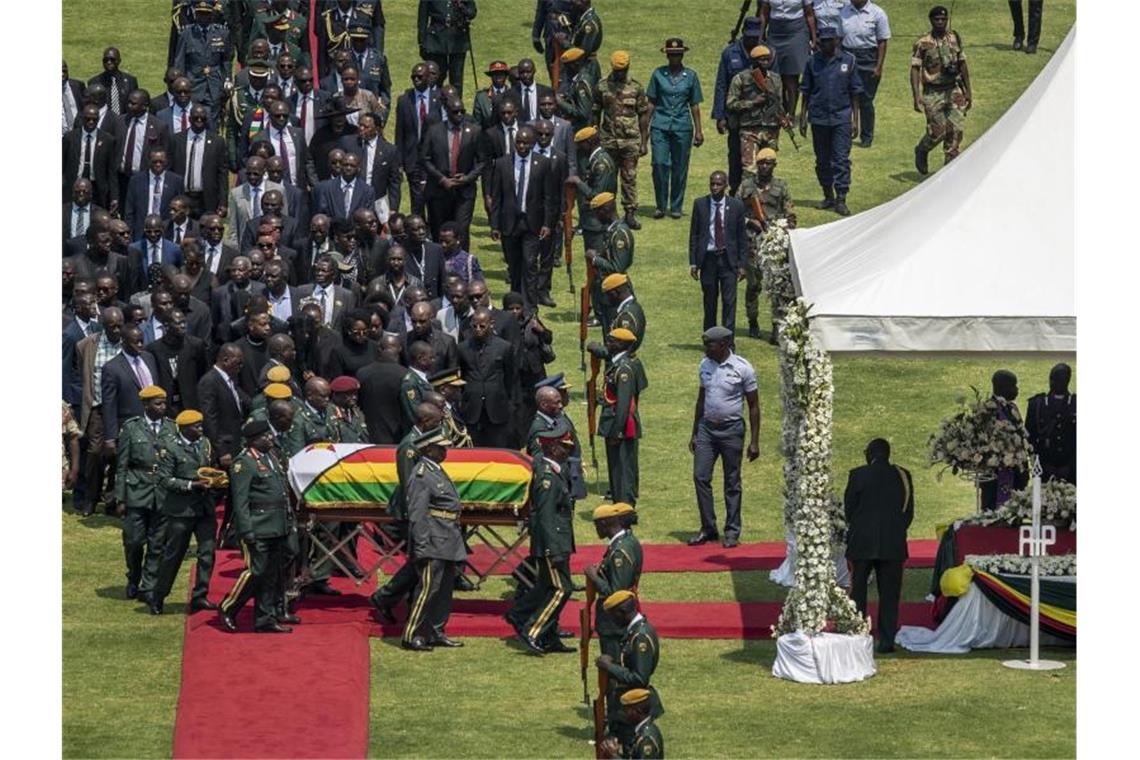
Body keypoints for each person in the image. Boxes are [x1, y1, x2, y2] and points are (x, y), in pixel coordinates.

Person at [508, 419, 577, 655]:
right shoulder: (547, 478)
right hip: (552, 543)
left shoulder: (554, 471)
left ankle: (534, 624)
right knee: (561, 589)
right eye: (564, 446)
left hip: (558, 541)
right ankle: (534, 630)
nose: (569, 450)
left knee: (546, 586)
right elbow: (546, 517)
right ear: (551, 448)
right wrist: (552, 549)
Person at [218, 420, 295, 633]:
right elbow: (240, 501)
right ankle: (228, 607)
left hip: (276, 525)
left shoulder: (272, 458)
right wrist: (246, 530)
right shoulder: (244, 463)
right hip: (257, 526)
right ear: (254, 440)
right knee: (255, 571)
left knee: (271, 574)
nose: (270, 438)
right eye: (266, 436)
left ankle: (265, 618)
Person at [688, 326, 760, 548]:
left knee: (732, 481)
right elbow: (701, 400)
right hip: (707, 430)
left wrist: (755, 441)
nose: (705, 348)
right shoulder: (705, 365)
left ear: (723, 345)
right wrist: (694, 432)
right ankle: (708, 528)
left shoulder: (743, 368)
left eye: (709, 344)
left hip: (732, 431)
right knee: (700, 477)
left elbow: (754, 405)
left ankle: (732, 531)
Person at [844, 438, 915, 654]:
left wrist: (860, 527)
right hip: (893, 543)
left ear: (870, 454)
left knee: (858, 592)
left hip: (862, 542)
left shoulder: (857, 474)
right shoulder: (903, 475)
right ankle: (886, 640)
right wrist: (895, 530)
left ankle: (857, 634)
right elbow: (908, 512)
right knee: (890, 595)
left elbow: (849, 509)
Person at [401, 427, 466, 651]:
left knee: (444, 590)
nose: (445, 450)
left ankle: (435, 630)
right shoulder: (421, 474)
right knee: (428, 589)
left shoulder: (435, 470)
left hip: (447, 537)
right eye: (441, 447)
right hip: (432, 540)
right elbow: (417, 514)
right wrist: (421, 545)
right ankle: (413, 634)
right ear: (429, 449)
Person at [152, 409, 219, 615]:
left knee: (207, 553)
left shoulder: (205, 444)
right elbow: (164, 479)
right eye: (196, 426)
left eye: (201, 425)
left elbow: (210, 467)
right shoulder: (170, 448)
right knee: (174, 555)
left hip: (204, 508)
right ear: (183, 428)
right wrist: (190, 485)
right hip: (182, 510)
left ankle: (200, 595)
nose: (200, 429)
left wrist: (215, 480)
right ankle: (159, 596)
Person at [115, 385, 176, 606]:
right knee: (133, 540)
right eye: (157, 403)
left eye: (164, 403)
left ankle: (148, 585)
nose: (162, 407)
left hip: (162, 491)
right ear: (146, 405)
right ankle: (133, 575)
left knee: (157, 542)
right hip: (137, 489)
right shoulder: (131, 428)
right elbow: (121, 465)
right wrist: (120, 497)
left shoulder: (172, 428)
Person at [489, 124, 558, 307]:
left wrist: (547, 223)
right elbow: (496, 198)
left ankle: (529, 304)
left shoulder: (542, 163)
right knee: (514, 265)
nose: (521, 147)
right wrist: (494, 225)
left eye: (526, 143)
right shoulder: (503, 164)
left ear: (532, 143)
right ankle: (515, 301)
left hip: (532, 222)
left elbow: (548, 197)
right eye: (518, 143)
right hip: (509, 223)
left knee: (529, 263)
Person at [799, 26, 862, 217]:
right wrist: (802, 117)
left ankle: (841, 198)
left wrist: (855, 120)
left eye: (829, 40)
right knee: (822, 160)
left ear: (836, 40)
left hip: (841, 117)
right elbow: (806, 91)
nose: (826, 44)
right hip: (818, 118)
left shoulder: (848, 61)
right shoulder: (812, 62)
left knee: (841, 159)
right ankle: (828, 196)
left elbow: (855, 93)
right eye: (822, 40)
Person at [738, 149, 796, 340]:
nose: (764, 166)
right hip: (752, 243)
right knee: (753, 285)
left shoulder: (781, 187)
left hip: (774, 245)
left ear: (774, 165)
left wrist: (784, 228)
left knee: (776, 288)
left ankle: (776, 327)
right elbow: (735, 212)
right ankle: (752, 322)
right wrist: (749, 221)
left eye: (768, 163)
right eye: (761, 163)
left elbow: (791, 216)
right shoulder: (746, 186)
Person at [596, 591, 664, 750]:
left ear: (622, 612)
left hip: (634, 705)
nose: (612, 621)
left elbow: (640, 678)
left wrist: (610, 667)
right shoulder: (635, 631)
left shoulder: (640, 637)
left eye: (613, 616)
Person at [646, 38, 704, 220]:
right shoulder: (658, 74)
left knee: (680, 166)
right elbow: (651, 103)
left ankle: (676, 206)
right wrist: (644, 130)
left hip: (682, 126)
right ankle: (661, 206)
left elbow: (694, 104)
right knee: (659, 163)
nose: (674, 58)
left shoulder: (691, 76)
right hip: (660, 125)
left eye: (677, 54)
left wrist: (699, 130)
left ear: (682, 55)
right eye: (671, 55)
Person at [910, 6, 972, 176]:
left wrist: (968, 91)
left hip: (954, 89)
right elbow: (915, 69)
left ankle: (949, 171)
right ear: (931, 20)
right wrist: (917, 95)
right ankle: (922, 149)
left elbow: (962, 64)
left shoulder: (954, 38)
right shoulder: (923, 43)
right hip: (933, 92)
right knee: (938, 131)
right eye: (936, 19)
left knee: (956, 130)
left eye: (943, 19)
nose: (940, 22)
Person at [593, 51, 649, 230]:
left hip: (629, 141)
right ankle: (609, 213)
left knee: (629, 178)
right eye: (617, 70)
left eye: (622, 70)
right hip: (608, 140)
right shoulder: (602, 86)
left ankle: (630, 213)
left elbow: (643, 114)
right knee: (607, 178)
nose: (619, 73)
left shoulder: (636, 87)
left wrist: (643, 141)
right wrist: (595, 137)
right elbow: (596, 111)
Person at [688, 171, 748, 336]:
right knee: (709, 303)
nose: (715, 187)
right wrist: (693, 262)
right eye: (712, 183)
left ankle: (728, 342)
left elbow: (742, 237)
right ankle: (710, 340)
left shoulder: (736, 206)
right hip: (708, 260)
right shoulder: (700, 204)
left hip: (728, 261)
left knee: (729, 303)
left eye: (719, 184)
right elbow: (694, 234)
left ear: (726, 185)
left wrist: (743, 264)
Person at [420, 98, 482, 245]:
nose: (459, 114)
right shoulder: (434, 131)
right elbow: (424, 158)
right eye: (455, 112)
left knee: (462, 231)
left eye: (462, 111)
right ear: (447, 112)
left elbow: (482, 161)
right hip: (439, 190)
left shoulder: (474, 131)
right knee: (439, 232)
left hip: (464, 192)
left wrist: (467, 178)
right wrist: (442, 179)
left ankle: (462, 266)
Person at [584, 503, 642, 659]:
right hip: (620, 617)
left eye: (597, 525)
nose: (596, 530)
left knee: (612, 669)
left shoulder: (619, 551)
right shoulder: (627, 541)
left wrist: (593, 576)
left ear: (604, 523)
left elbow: (615, 594)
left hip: (613, 621)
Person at [713, 16, 762, 195]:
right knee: (735, 155)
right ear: (743, 33)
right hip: (736, 116)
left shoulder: (767, 52)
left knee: (759, 157)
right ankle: (735, 190)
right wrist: (719, 115)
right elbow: (721, 85)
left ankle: (757, 192)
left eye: (755, 37)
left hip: (759, 117)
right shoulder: (730, 53)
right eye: (749, 36)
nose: (752, 40)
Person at [598, 328, 647, 506]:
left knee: (623, 470)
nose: (608, 344)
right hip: (614, 424)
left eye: (611, 341)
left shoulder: (624, 369)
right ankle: (620, 503)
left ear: (621, 345)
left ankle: (625, 507)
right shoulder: (620, 363)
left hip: (621, 427)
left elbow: (624, 405)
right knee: (616, 469)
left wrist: (617, 432)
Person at [458, 308, 519, 448]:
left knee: (497, 447)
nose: (478, 329)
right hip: (472, 408)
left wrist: (510, 404)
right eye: (474, 326)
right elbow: (460, 375)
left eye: (482, 326)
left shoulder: (504, 347)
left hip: (497, 408)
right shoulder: (462, 348)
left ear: (491, 324)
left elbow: (510, 378)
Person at [726, 45, 785, 178]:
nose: (764, 63)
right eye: (761, 60)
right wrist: (752, 103)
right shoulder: (741, 78)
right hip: (749, 130)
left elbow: (779, 103)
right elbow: (731, 103)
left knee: (768, 168)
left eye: (767, 59)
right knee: (750, 170)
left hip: (771, 129)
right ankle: (749, 198)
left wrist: (783, 119)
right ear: (753, 61)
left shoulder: (775, 79)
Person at [840, 0, 890, 148]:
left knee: (866, 100)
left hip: (868, 57)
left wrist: (879, 66)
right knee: (845, 97)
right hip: (847, 55)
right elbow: (839, 38)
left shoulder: (877, 13)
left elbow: (882, 42)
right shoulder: (843, 12)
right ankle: (845, 133)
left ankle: (866, 136)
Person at [173, 1, 233, 124]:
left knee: (212, 121)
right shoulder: (186, 34)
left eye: (206, 14)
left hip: (214, 84)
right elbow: (180, 61)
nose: (203, 17)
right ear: (195, 15)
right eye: (200, 14)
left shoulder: (222, 33)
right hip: (193, 83)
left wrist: (227, 79)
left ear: (211, 15)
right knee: (193, 119)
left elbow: (226, 60)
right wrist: (180, 84)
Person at [981, 369, 1030, 511]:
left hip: (1016, 473)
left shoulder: (1012, 407)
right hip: (995, 475)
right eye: (1013, 386)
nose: (1017, 390)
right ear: (1001, 387)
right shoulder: (987, 410)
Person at [585, 193, 633, 333]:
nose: (596, 216)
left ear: (605, 209)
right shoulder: (612, 230)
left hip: (616, 290)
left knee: (612, 333)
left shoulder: (620, 234)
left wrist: (595, 259)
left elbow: (617, 267)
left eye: (597, 212)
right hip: (608, 290)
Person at [760, 1, 818, 117]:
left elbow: (809, 14)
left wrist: (814, 38)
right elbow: (764, 13)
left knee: (791, 76)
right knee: (775, 75)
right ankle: (781, 110)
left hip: (796, 31)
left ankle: (790, 114)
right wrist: (761, 36)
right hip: (775, 31)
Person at [569, 127, 618, 255]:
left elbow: (598, 196)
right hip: (591, 221)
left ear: (590, 142)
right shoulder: (595, 160)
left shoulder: (602, 163)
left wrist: (578, 182)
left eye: (581, 144)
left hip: (598, 224)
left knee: (597, 263)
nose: (578, 148)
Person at [1025, 363, 1076, 485]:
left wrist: (1072, 466)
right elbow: (1029, 437)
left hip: (1071, 470)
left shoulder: (1076, 403)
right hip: (1044, 468)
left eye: (1060, 379)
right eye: (1053, 379)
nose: (1054, 383)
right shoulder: (1037, 404)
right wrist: (1040, 464)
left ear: (1067, 381)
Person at [417, 0, 478, 97]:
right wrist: (422, 41)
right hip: (437, 38)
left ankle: (456, 107)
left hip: (458, 39)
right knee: (437, 75)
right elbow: (422, 17)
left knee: (457, 78)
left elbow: (472, 12)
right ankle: (435, 105)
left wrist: (462, 6)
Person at [599, 689, 664, 760]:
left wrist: (614, 756)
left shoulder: (646, 739)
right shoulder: (640, 730)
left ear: (638, 711)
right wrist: (615, 752)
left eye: (626, 710)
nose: (624, 714)